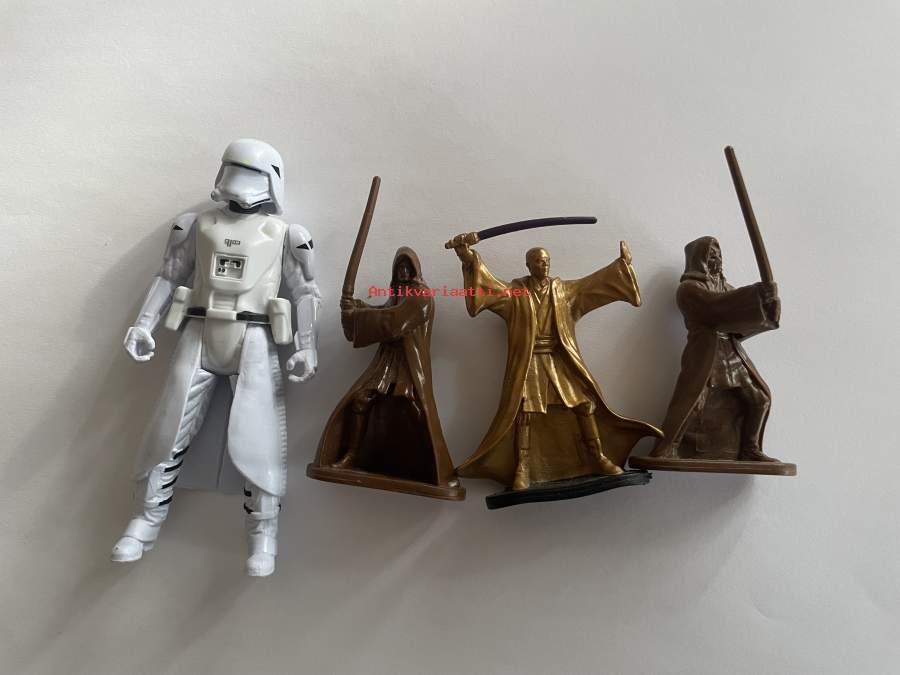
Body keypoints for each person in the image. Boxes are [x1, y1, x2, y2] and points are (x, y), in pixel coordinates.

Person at [111, 139, 321, 576]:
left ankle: (263, 534)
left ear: (271, 180)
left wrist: (307, 345)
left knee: (260, 436)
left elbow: (305, 291)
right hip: (200, 329)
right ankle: (145, 519)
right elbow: (169, 275)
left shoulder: (285, 235)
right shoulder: (197, 225)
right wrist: (143, 324)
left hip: (254, 336)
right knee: (168, 427)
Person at [448, 233, 661, 491]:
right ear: (529, 265)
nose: (544, 265)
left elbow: (593, 284)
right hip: (530, 362)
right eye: (539, 261)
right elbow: (488, 286)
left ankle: (598, 457)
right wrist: (467, 256)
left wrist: (621, 266)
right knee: (525, 413)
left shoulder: (563, 291)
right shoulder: (516, 292)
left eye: (547, 260)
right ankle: (522, 467)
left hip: (559, 360)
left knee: (584, 404)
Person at [313, 248, 462, 499]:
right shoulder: (398, 295)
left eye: (407, 267)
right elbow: (384, 311)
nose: (403, 272)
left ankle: (434, 466)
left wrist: (358, 316)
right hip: (388, 361)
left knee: (415, 408)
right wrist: (357, 307)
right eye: (399, 267)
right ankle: (351, 455)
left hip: (409, 363)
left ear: (414, 270)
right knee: (361, 400)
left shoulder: (421, 297)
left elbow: (392, 322)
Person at [651, 236, 781, 461]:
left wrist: (767, 305)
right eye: (711, 256)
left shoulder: (725, 287)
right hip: (706, 353)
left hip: (731, 352)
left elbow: (740, 316)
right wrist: (757, 294)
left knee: (760, 398)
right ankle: (666, 447)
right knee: (693, 402)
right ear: (698, 259)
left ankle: (750, 449)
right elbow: (714, 309)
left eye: (719, 255)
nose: (717, 260)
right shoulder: (688, 289)